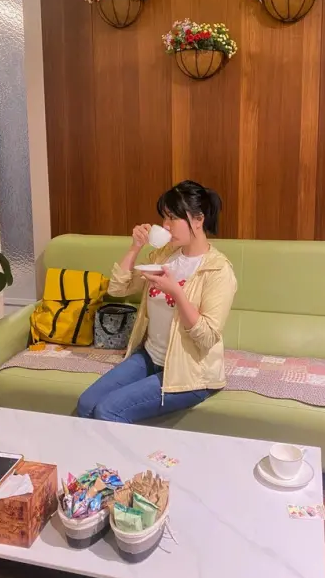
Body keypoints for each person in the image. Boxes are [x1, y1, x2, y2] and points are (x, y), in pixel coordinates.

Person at [77, 180, 237, 423]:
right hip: (150, 357)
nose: (165, 225)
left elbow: (206, 337)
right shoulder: (163, 257)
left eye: (172, 218)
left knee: (108, 411)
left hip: (191, 372)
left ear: (198, 219)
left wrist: (177, 293)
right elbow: (118, 288)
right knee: (86, 404)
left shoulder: (218, 270)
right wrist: (135, 247)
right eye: (164, 217)